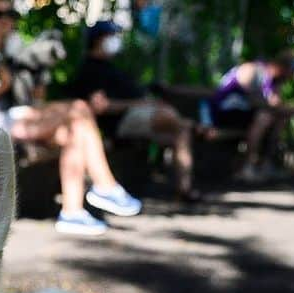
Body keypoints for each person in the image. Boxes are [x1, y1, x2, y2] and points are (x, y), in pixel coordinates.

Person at [0, 2, 142, 238]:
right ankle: (105, 186)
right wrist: (1, 86)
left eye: (11, 14)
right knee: (78, 107)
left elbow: (35, 101)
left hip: (18, 116)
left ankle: (72, 213)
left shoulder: (11, 51)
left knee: (75, 131)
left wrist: (38, 75)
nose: (6, 19)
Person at [71, 20, 201, 202]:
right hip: (120, 122)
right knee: (173, 120)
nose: (116, 40)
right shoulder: (91, 69)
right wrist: (139, 104)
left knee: (181, 130)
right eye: (111, 36)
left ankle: (184, 188)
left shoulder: (113, 67)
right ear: (99, 40)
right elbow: (100, 107)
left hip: (137, 116)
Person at [210, 51, 294, 181]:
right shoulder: (252, 69)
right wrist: (282, 108)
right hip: (224, 112)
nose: (292, 76)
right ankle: (247, 166)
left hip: (246, 115)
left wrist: (285, 109)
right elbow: (255, 101)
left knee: (280, 118)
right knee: (265, 117)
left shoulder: (274, 82)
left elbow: (275, 104)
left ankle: (265, 164)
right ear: (282, 67)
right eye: (292, 71)